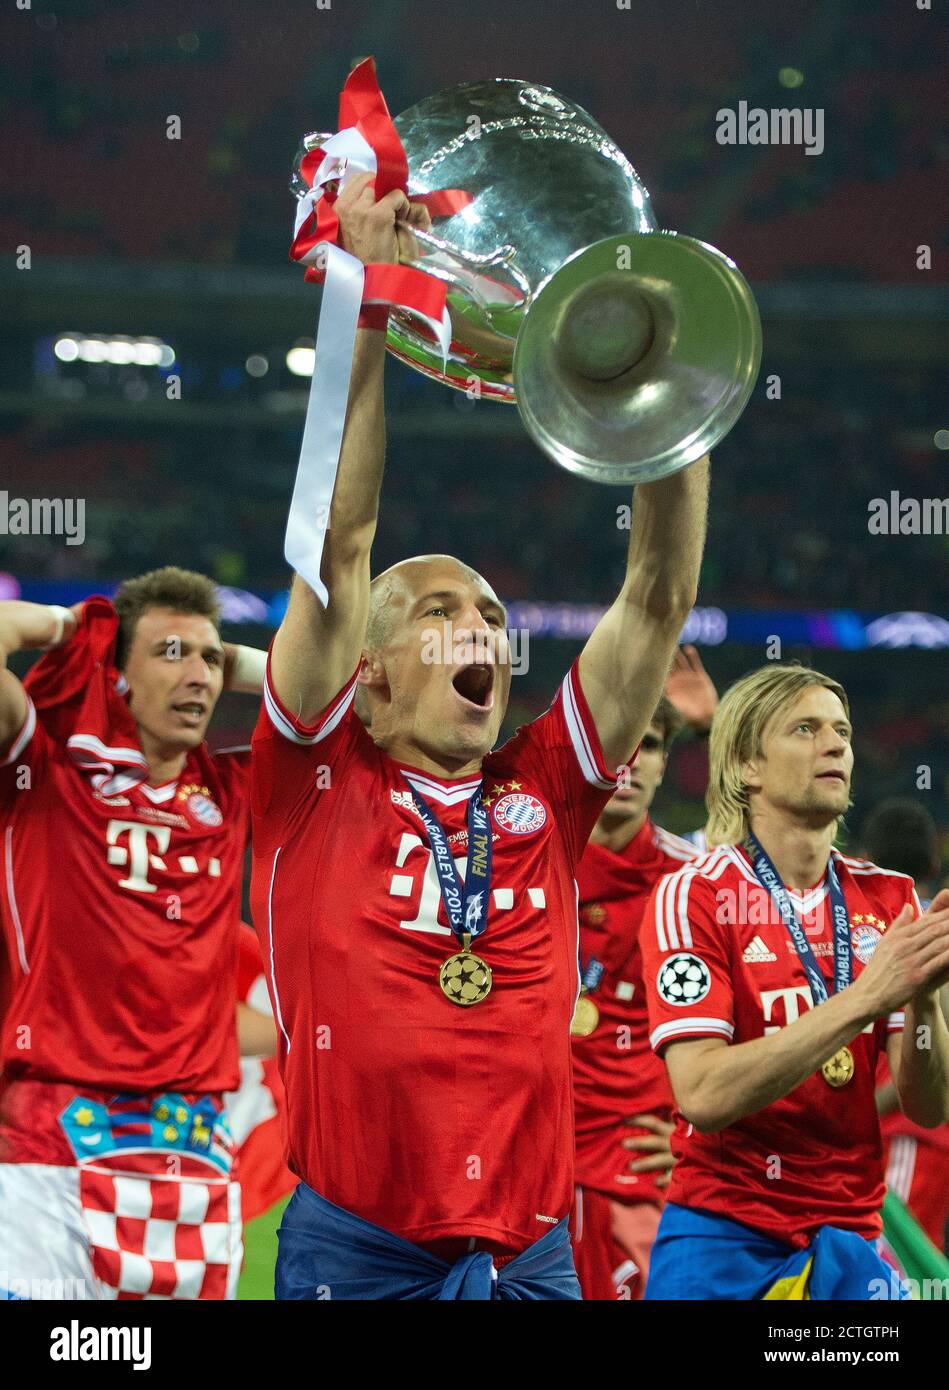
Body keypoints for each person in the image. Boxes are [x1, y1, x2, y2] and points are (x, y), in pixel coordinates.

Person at [250, 170, 711, 1300]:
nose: (483, 631)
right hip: (359, 1247)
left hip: (532, 1248)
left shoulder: (545, 784)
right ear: (365, 678)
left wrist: (656, 397)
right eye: (444, 612)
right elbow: (343, 539)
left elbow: (653, 596)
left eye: (494, 617)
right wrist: (358, 301)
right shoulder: (311, 771)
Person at [640, 663, 949, 1300]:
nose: (835, 744)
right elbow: (703, 1092)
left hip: (850, 1240)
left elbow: (930, 1106)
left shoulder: (888, 898)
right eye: (805, 729)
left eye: (842, 731)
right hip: (724, 1243)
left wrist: (923, 1000)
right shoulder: (695, 896)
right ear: (747, 767)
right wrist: (866, 997)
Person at [0, 569, 265, 1301]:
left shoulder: (231, 788)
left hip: (192, 1140)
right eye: (172, 653)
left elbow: (352, 713)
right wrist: (69, 627)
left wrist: (227, 658)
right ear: (115, 675)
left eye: (212, 660)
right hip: (54, 1130)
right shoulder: (43, 770)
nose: (200, 676)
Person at [570, 647, 718, 1301]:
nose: (629, 761)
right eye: (618, 742)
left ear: (665, 761)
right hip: (516, 1171)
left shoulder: (695, 883)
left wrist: (696, 1137)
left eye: (649, 743)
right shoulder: (517, 857)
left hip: (632, 1176)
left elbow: (750, 1024)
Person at [861, 799, 949, 1254]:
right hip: (901, 1136)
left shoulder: (923, 932)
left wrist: (855, 1112)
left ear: (863, 858)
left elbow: (925, 1044)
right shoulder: (861, 923)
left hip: (905, 1133)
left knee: (898, 1268)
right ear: (935, 862)